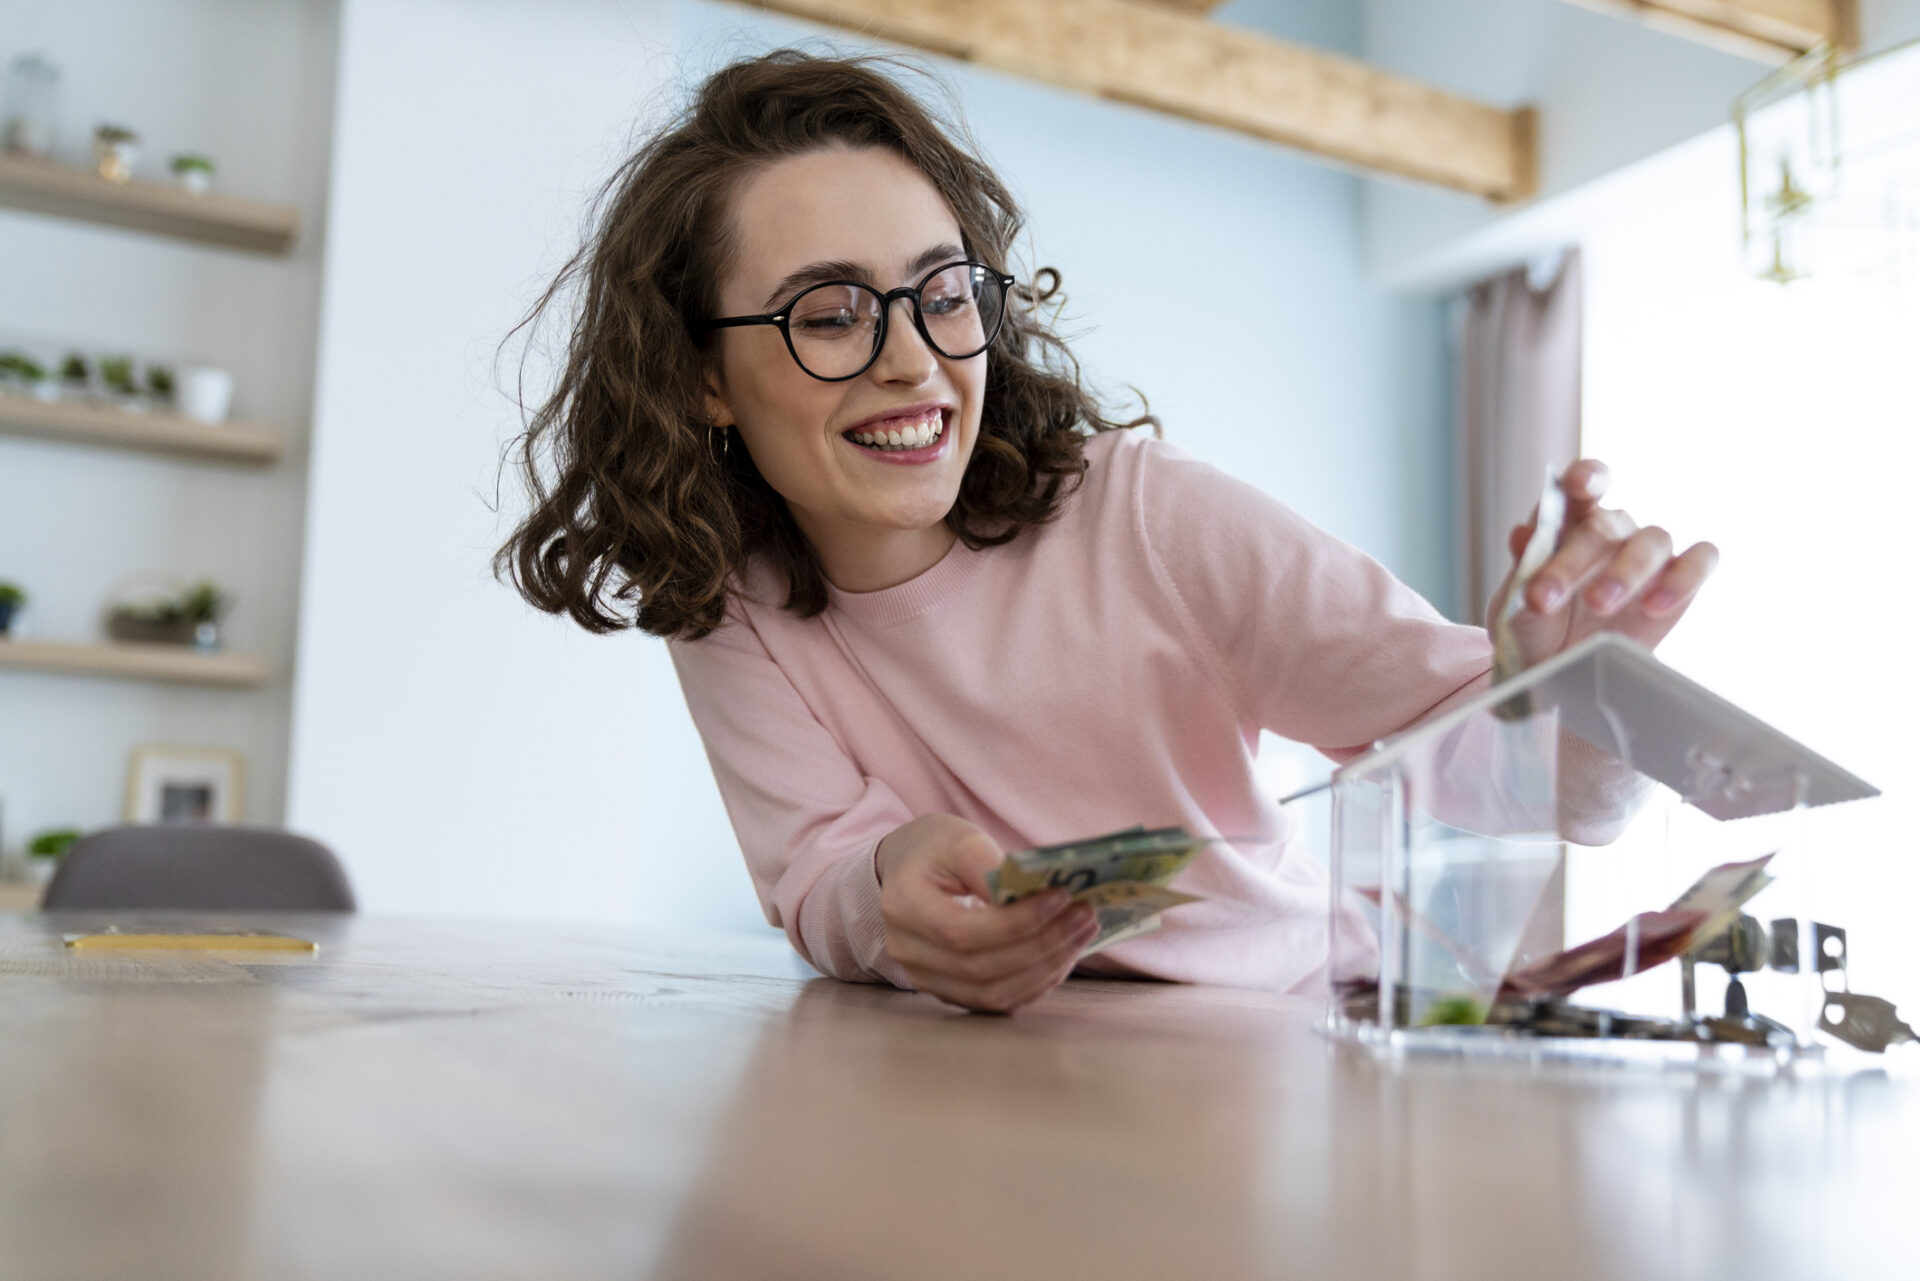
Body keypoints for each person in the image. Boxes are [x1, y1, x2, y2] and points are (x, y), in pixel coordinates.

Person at [496, 49, 1717, 1013]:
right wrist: (889, 895)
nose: (916, 362)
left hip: (1281, 1052)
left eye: (941, 292)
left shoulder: (1151, 518)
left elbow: (1546, 793)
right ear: (700, 374)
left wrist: (1583, 694)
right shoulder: (728, 595)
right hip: (992, 1091)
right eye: (828, 315)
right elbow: (816, 871)